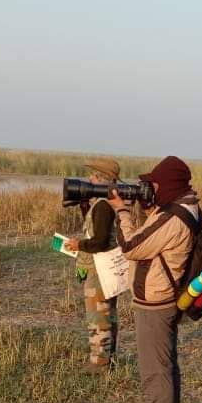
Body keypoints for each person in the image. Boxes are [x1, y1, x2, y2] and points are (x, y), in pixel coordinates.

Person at [109, 156, 201, 403]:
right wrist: (150, 209)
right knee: (167, 364)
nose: (150, 188)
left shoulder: (174, 216)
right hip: (167, 298)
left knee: (155, 373)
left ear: (169, 185)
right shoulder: (182, 207)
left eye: (155, 184)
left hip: (156, 303)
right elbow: (154, 238)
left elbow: (132, 246)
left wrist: (122, 211)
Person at [66, 159, 122, 373]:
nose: (90, 179)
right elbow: (99, 234)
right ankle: (108, 358)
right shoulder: (107, 202)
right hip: (104, 269)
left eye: (94, 176)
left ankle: (99, 363)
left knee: (98, 316)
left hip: (98, 269)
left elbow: (98, 242)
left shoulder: (103, 206)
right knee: (107, 313)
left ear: (101, 178)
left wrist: (78, 244)